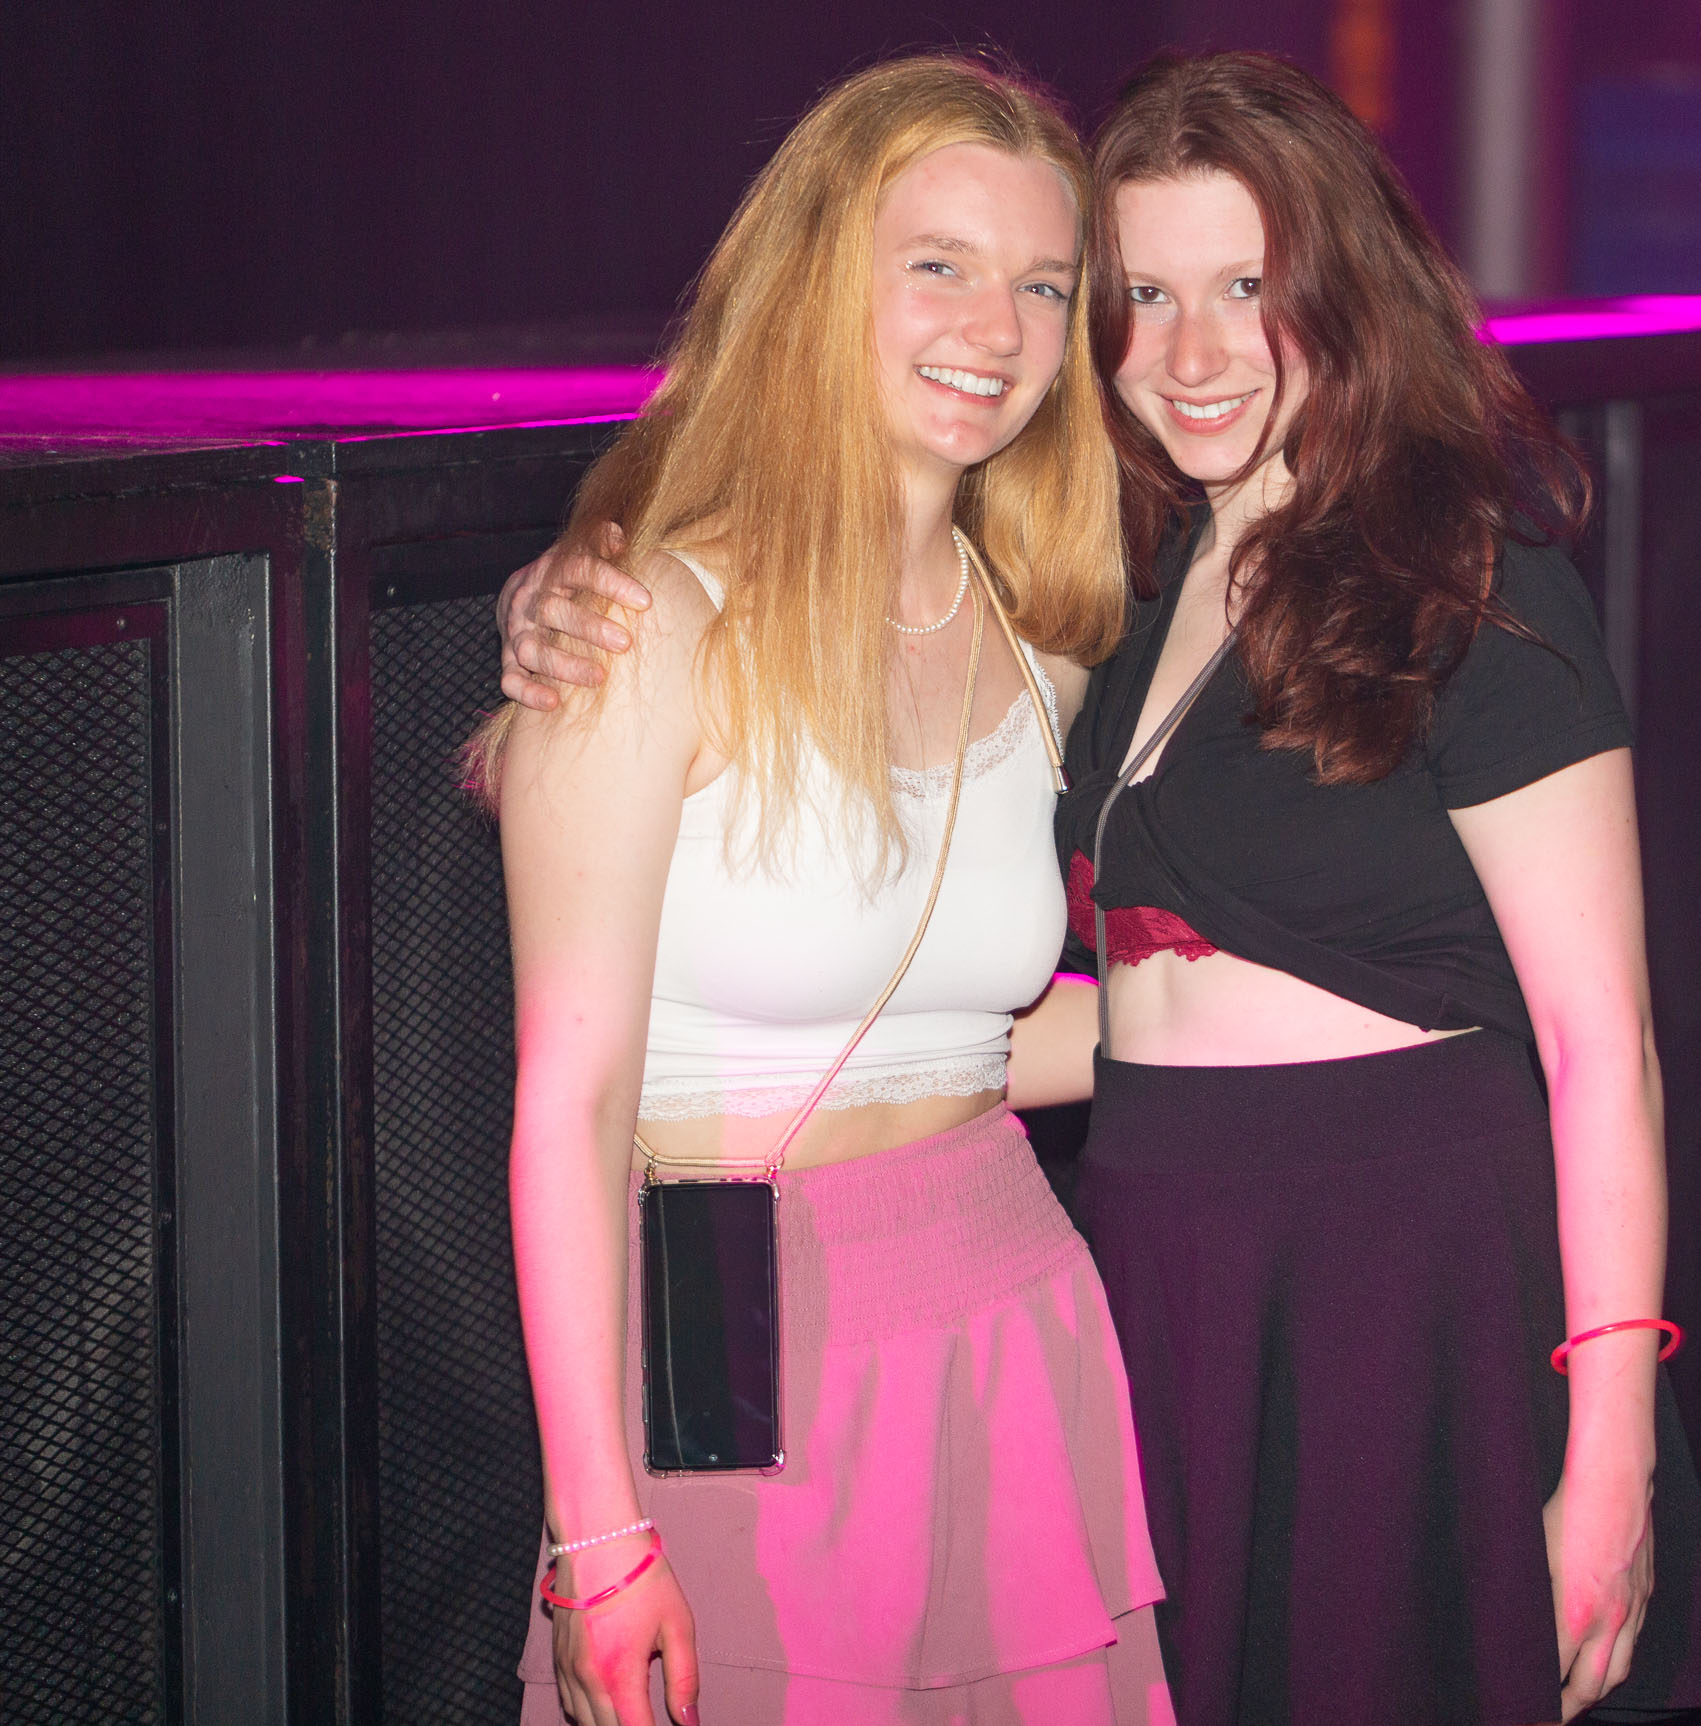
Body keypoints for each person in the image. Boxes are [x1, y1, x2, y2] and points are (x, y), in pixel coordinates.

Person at [499, 50, 1701, 1726]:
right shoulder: (1121, 590)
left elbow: (1604, 1043)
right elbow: (1004, 1013)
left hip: (1346, 1261)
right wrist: (573, 596)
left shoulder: (1433, 570)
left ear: (1344, 287)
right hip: (1111, 1260)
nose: (1189, 349)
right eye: (1142, 294)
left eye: (1244, 286)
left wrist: (1613, 1447)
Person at [475, 54, 1170, 1726]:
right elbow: (569, 1101)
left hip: (1010, 1316)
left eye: (1043, 285)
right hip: (744, 1345)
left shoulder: (1045, 645)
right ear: (815, 280)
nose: (997, 328)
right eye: (938, 263)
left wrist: (1327, 1017)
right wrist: (596, 1531)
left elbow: (969, 1036)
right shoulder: (644, 629)